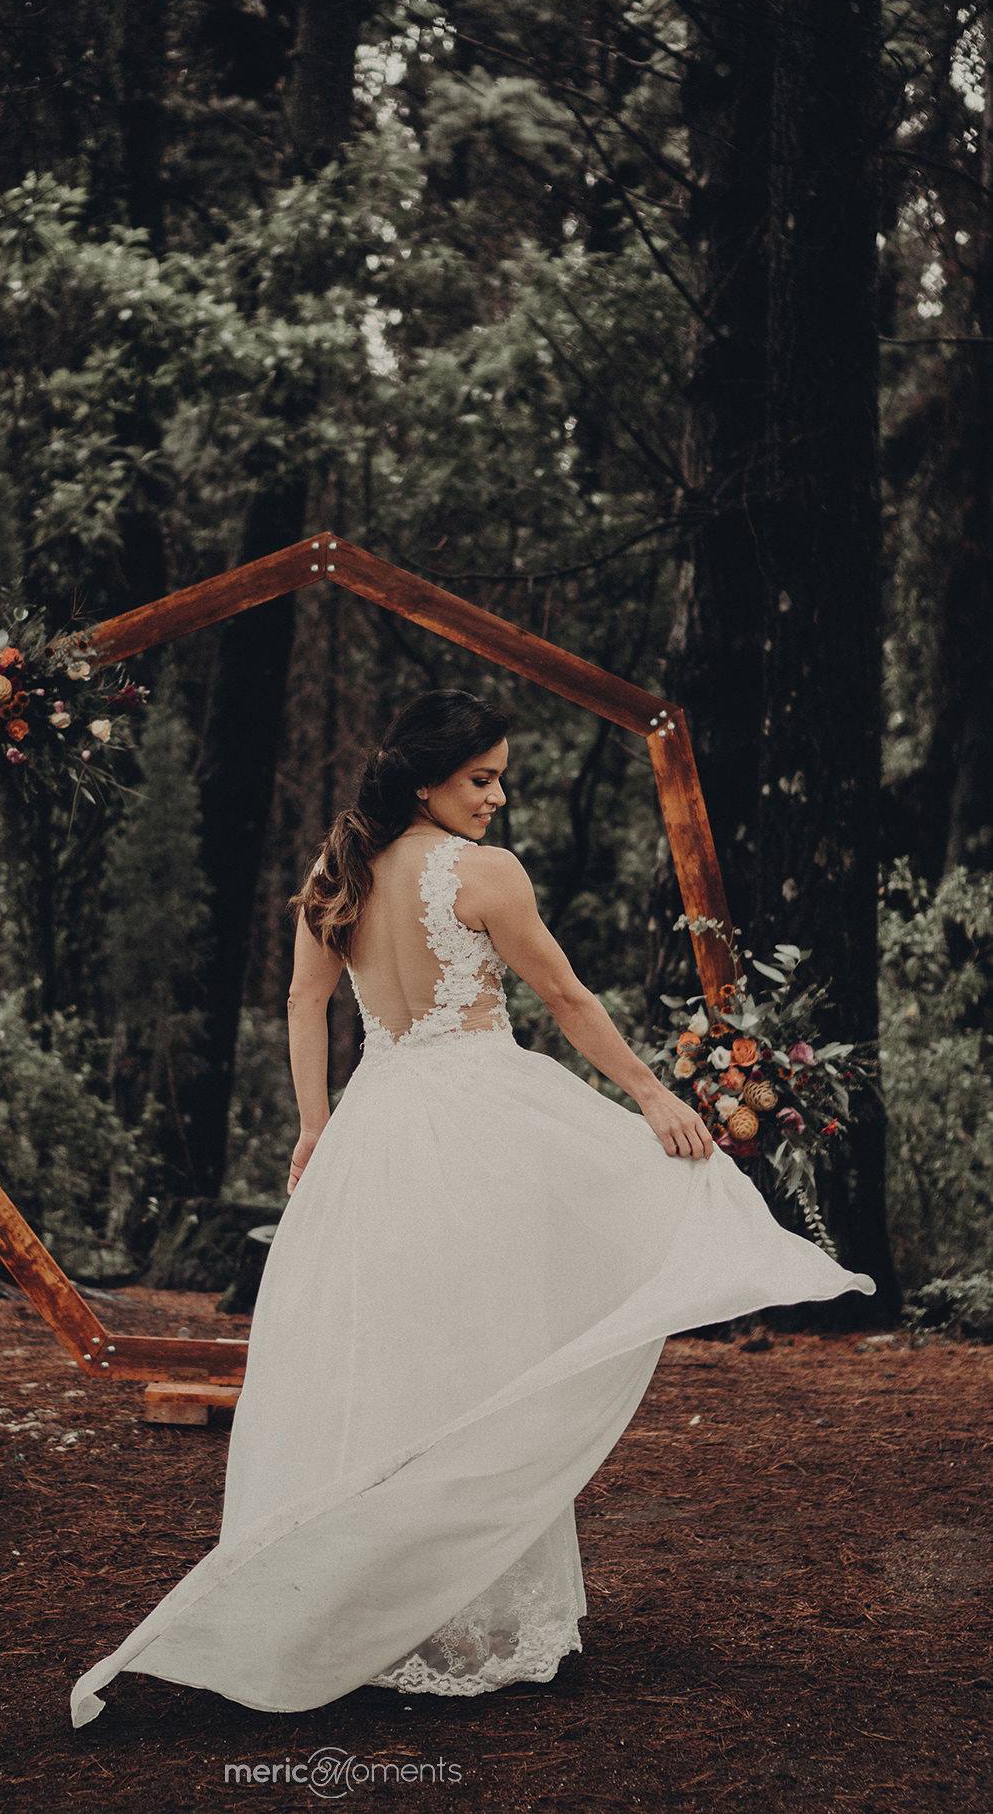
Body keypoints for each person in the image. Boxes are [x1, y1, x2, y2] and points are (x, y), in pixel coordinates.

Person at [70, 688, 875, 1725]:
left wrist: (314, 1125)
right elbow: (569, 1000)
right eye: (479, 779)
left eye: (500, 778)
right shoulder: (484, 876)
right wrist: (649, 1094)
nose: (498, 798)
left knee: (397, 1358)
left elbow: (304, 1002)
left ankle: (383, 1608)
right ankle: (461, 1611)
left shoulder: (340, 869)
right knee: (482, 1351)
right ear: (424, 781)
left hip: (380, 1120)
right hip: (481, 1118)